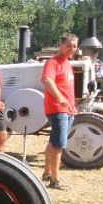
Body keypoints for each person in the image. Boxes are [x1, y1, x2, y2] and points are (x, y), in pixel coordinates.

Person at [41, 33, 78, 190]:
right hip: (58, 109)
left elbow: (67, 87)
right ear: (61, 44)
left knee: (53, 141)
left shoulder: (67, 64)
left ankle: (47, 172)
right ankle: (55, 181)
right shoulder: (53, 62)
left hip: (67, 109)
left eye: (75, 46)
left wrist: (71, 104)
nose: (72, 49)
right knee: (58, 145)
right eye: (69, 45)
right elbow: (46, 80)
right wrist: (60, 98)